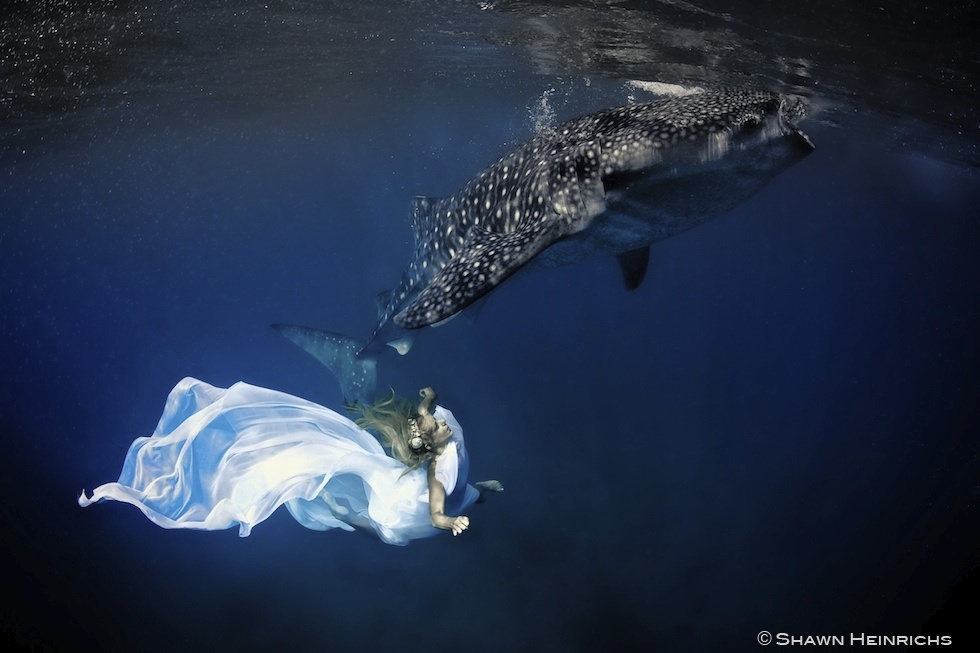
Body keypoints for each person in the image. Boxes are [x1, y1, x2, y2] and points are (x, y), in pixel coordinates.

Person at [78, 377, 501, 545]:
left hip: (418, 503)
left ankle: (481, 495)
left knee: (402, 519)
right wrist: (428, 401)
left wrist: (451, 521)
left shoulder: (440, 461)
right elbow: (437, 497)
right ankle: (335, 506)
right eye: (436, 429)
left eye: (436, 427)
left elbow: (442, 501)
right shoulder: (439, 460)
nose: (440, 426)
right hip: (407, 502)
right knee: (380, 524)